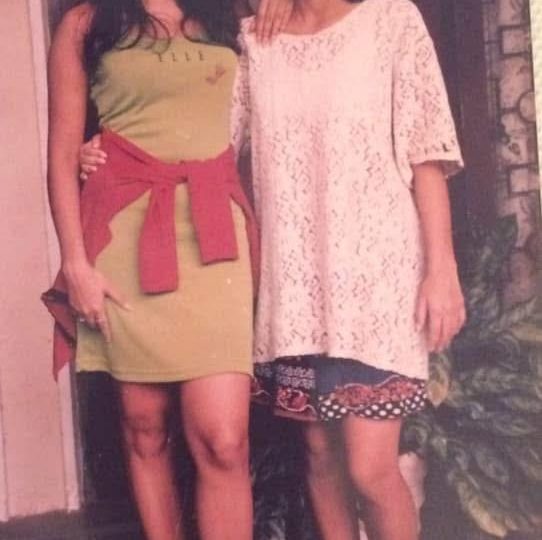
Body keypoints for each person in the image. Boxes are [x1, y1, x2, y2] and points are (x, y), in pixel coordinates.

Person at [80, 0, 466, 538]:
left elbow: (427, 154)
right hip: (294, 285)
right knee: (319, 455)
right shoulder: (253, 43)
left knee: (369, 468)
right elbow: (199, 132)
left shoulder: (392, 20)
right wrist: (112, 152)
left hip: (378, 281)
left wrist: (442, 268)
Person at [42, 1, 292, 540]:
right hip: (124, 236)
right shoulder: (86, 23)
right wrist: (75, 264)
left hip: (215, 235)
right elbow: (61, 154)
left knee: (224, 440)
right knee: (145, 429)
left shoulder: (228, 12)